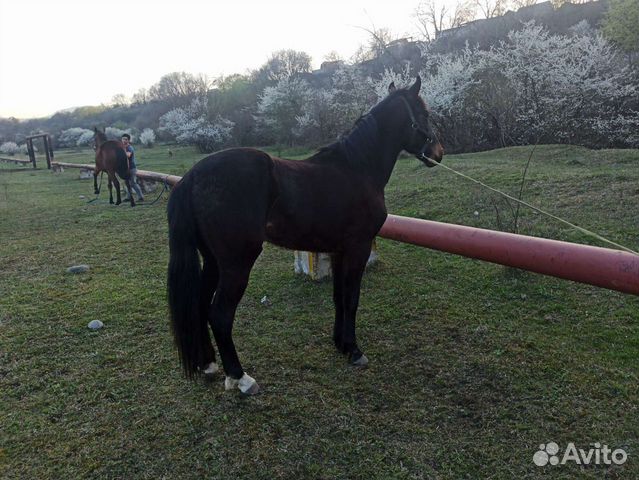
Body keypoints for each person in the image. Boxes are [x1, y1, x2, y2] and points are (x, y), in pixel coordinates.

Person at [121, 133, 144, 202]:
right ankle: (129, 197)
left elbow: (128, 155)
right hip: (126, 169)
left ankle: (141, 197)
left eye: (126, 139)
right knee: (127, 183)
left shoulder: (129, 148)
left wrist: (122, 150)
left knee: (133, 183)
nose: (124, 141)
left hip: (132, 168)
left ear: (128, 140)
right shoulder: (123, 147)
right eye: (123, 139)